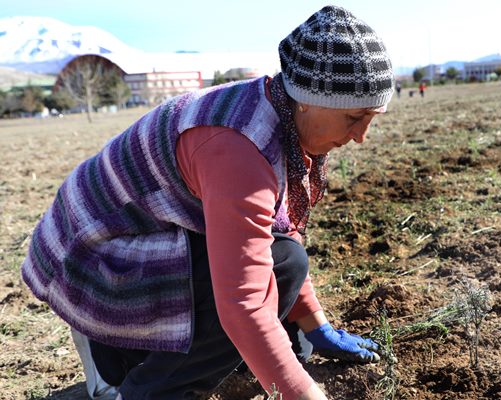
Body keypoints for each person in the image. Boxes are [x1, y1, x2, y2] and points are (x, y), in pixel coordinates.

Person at [20, 6, 394, 400]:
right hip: (88, 262)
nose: (360, 136)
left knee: (286, 295)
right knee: (279, 270)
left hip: (133, 244)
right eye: (355, 117)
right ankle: (141, 385)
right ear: (308, 99)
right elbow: (244, 304)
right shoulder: (238, 146)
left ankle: (136, 360)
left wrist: (316, 327)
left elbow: (280, 228)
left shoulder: (279, 114)